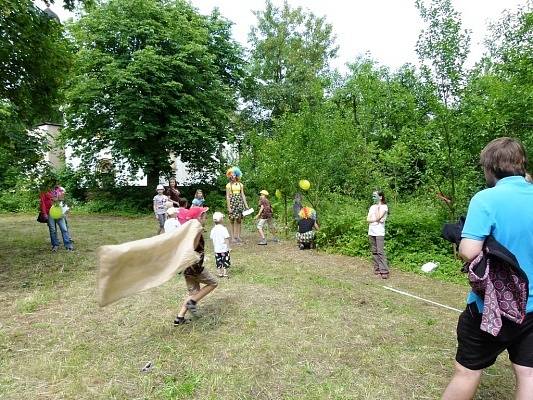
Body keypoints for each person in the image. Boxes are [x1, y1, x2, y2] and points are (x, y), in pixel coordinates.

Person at [442, 137, 533, 400]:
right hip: (532, 308)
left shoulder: (486, 199)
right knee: (528, 375)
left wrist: (460, 239)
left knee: (467, 371)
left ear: (489, 168)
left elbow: (469, 252)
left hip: (493, 306)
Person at [174, 207, 218, 325]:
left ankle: (179, 317)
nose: (206, 217)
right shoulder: (196, 230)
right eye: (204, 215)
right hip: (194, 268)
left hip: (186, 268)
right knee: (213, 283)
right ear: (199, 218)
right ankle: (192, 302)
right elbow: (192, 247)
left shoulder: (187, 230)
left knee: (194, 293)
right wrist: (199, 232)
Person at [39, 182, 74, 251]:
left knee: (64, 229)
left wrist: (59, 199)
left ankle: (68, 245)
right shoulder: (44, 191)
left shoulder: (59, 190)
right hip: (50, 213)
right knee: (53, 230)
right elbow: (42, 202)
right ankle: (55, 245)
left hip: (59, 212)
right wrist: (44, 213)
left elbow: (64, 200)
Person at [366, 190, 389, 279]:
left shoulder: (384, 207)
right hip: (371, 231)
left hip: (379, 232)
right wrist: (375, 219)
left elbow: (379, 216)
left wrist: (378, 208)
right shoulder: (372, 207)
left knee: (380, 251)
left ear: (380, 197)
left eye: (375, 196)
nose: (373, 198)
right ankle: (377, 269)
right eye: (372, 196)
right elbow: (368, 219)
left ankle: (384, 270)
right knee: (374, 251)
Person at [225, 167, 249, 243]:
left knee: (239, 220)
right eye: (231, 175)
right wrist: (229, 207)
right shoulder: (228, 185)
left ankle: (238, 236)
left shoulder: (240, 185)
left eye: (234, 175)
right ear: (229, 176)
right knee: (232, 220)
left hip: (239, 203)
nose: (232, 177)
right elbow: (228, 197)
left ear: (237, 175)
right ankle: (232, 237)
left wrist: (246, 205)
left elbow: (243, 195)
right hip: (232, 203)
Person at [210, 211, 231, 278]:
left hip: (217, 249)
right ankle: (225, 273)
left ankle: (219, 273)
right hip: (224, 249)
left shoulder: (213, 229)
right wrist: (228, 247)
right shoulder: (224, 229)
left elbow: (211, 237)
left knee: (218, 261)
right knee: (225, 260)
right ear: (221, 219)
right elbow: (226, 238)